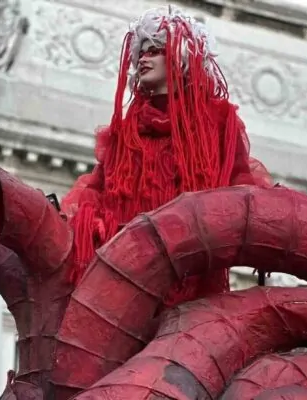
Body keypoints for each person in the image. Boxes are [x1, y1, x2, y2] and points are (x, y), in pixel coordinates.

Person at [61, 5, 272, 304]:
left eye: (154, 50)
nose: (143, 59)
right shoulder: (126, 129)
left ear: (179, 57)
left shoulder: (217, 120)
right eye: (141, 53)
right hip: (128, 269)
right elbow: (96, 189)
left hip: (190, 270)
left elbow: (241, 185)